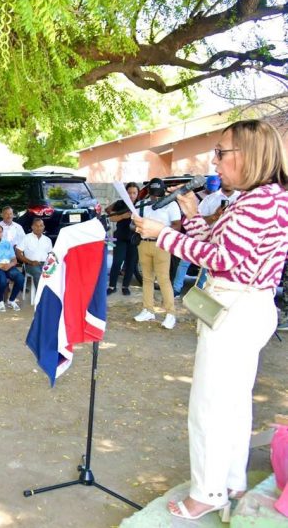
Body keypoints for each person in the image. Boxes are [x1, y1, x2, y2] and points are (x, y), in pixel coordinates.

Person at [134, 119, 288, 521]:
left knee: (208, 406)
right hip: (244, 305)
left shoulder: (258, 203)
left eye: (222, 153)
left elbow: (222, 262)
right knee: (233, 404)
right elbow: (218, 247)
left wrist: (160, 232)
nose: (214, 161)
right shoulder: (262, 199)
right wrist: (190, 216)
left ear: (250, 155)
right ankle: (231, 480)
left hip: (237, 308)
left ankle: (206, 493)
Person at [173, 176, 241, 297]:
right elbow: (197, 219)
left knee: (207, 268)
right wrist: (214, 216)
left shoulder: (241, 199)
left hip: (226, 243)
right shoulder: (210, 198)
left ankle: (200, 292)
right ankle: (176, 289)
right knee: (184, 263)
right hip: (201, 235)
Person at [133, 177, 181, 330]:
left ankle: (170, 314)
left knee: (163, 279)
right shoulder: (141, 204)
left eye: (158, 194)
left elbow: (177, 226)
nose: (155, 197)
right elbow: (134, 223)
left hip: (162, 244)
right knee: (147, 279)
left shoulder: (171, 204)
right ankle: (148, 310)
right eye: (153, 194)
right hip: (143, 244)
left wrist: (162, 232)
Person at [106, 182, 140, 296]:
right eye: (129, 193)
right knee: (117, 262)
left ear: (138, 193)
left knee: (131, 263)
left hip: (134, 239)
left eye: (134, 193)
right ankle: (112, 286)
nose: (131, 195)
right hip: (120, 237)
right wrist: (122, 216)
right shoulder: (120, 203)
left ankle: (125, 286)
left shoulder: (141, 204)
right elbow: (110, 216)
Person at [17, 218, 53, 294]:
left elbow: (51, 254)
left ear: (44, 227)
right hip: (30, 265)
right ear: (32, 227)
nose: (39, 228)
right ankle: (41, 297)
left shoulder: (47, 240)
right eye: (36, 226)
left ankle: (51, 297)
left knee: (55, 273)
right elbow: (18, 253)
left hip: (45, 264)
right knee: (39, 274)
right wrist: (30, 262)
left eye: (41, 226)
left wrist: (51, 265)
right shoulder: (26, 238)